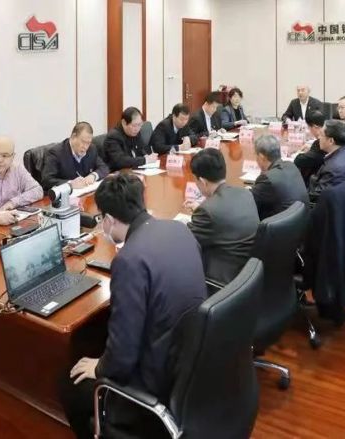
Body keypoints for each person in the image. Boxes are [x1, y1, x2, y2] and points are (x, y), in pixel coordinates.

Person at [59, 174, 207, 439]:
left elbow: (123, 356)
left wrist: (100, 367)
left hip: (157, 378)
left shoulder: (129, 259)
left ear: (108, 219)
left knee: (69, 386)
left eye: (101, 220)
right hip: (190, 355)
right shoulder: (179, 229)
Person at [184, 148, 259, 285]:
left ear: (202, 181)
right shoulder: (245, 193)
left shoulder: (208, 210)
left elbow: (185, 241)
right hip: (250, 271)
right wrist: (200, 209)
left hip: (224, 279)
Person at [251, 135, 309, 219]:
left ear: (261, 157)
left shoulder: (267, 179)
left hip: (281, 225)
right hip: (301, 221)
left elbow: (249, 202)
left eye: (255, 155)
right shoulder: (291, 166)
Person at [41, 122, 109, 191]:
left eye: (88, 143)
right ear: (73, 137)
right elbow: (47, 180)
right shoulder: (56, 153)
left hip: (86, 192)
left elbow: (104, 168)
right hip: (67, 195)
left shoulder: (92, 149)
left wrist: (93, 176)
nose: (85, 147)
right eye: (83, 142)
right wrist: (70, 184)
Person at [308, 120, 345, 201]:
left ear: (331, 141)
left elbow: (315, 196)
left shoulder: (333, 169)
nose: (318, 137)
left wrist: (311, 178)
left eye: (321, 135)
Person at [103, 107, 157, 171]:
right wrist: (145, 160)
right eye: (134, 125)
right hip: (118, 173)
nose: (137, 129)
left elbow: (142, 148)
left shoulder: (135, 132)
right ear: (124, 123)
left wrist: (146, 155)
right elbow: (120, 161)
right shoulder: (113, 137)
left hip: (133, 170)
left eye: (140, 125)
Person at [294, 110, 327, 185]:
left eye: (309, 127)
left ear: (315, 127)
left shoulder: (321, 144)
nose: (309, 131)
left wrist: (304, 152)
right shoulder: (327, 135)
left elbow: (298, 160)